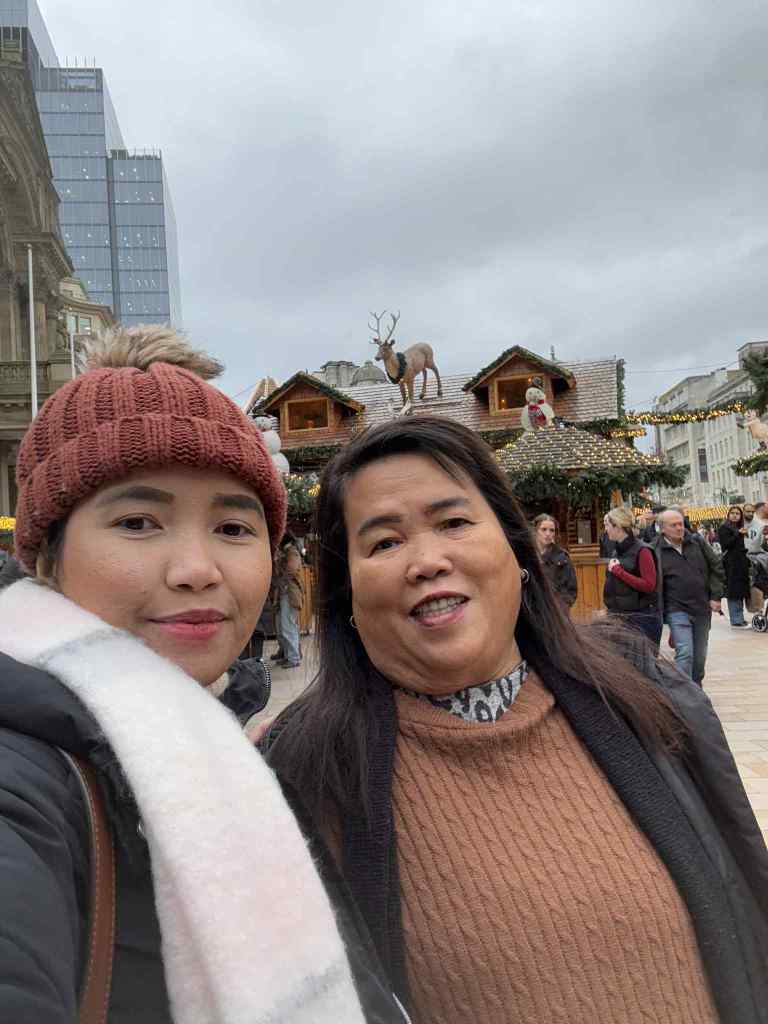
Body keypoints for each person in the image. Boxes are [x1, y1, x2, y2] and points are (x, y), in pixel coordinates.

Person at [265, 416, 768, 1024]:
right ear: (346, 589)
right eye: (384, 543)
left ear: (515, 548)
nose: (427, 561)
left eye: (454, 523)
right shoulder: (301, 773)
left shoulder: (639, 688)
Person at [0, 327, 380, 1023]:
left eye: (233, 529)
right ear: (47, 555)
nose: (197, 570)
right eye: (138, 522)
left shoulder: (227, 748)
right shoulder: (25, 776)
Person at [649, 509, 725, 686]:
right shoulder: (654, 549)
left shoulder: (697, 541)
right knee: (685, 652)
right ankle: (684, 692)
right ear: (662, 528)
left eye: (680, 524)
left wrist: (715, 596)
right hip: (676, 609)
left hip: (701, 607)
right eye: (673, 525)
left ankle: (696, 687)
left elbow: (717, 567)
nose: (679, 528)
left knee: (699, 655)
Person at [603, 507, 662, 646]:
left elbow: (649, 585)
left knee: (642, 659)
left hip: (641, 619)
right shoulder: (617, 551)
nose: (605, 530)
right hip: (620, 618)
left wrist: (619, 572)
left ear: (618, 526)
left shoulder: (643, 551)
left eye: (607, 525)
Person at [532, 513, 577, 607]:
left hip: (555, 610)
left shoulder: (562, 558)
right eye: (544, 529)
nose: (548, 534)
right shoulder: (527, 556)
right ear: (536, 531)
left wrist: (558, 608)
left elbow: (570, 591)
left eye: (552, 530)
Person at [717, 506, 752, 627]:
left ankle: (740, 618)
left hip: (741, 563)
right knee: (734, 591)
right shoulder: (724, 527)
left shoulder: (740, 527)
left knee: (740, 591)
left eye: (737, 513)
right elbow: (726, 544)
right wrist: (738, 534)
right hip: (731, 563)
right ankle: (736, 619)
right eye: (732, 513)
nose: (735, 515)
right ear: (728, 515)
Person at [275, 544, 304, 668]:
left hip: (290, 594)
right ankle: (288, 656)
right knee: (284, 627)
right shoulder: (287, 553)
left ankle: (293, 658)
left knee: (288, 627)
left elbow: (291, 569)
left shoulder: (292, 552)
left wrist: (279, 563)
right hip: (285, 594)